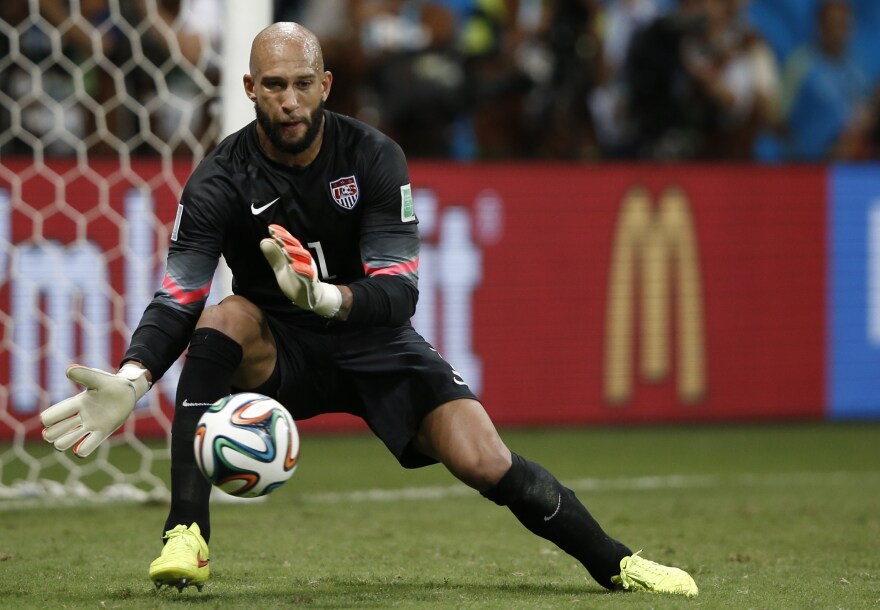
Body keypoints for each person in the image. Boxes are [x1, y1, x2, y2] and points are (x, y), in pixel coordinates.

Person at [39, 22, 698, 598]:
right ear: (248, 88)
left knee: (484, 460)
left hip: (373, 339)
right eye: (273, 85)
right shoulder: (220, 178)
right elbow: (179, 294)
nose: (289, 100)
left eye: (302, 83)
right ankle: (185, 533)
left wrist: (326, 297)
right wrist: (134, 377)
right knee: (223, 316)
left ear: (326, 84)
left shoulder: (373, 157)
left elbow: (399, 291)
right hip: (278, 347)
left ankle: (618, 565)